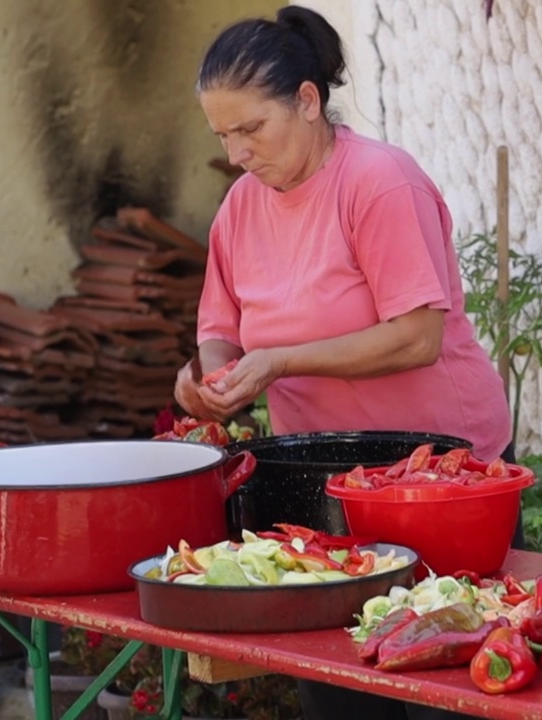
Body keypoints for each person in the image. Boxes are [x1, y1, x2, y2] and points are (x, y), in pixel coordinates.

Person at [175, 7, 510, 719]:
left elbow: (417, 336)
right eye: (223, 135)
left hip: (438, 480)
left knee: (440, 694)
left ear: (307, 100)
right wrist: (213, 379)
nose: (236, 153)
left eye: (251, 129)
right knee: (336, 690)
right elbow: (220, 331)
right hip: (322, 491)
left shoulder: (380, 182)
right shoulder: (240, 206)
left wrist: (278, 362)